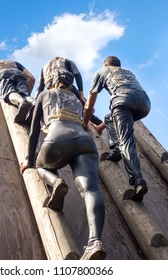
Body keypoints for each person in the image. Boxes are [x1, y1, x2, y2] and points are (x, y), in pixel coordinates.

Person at [20, 70, 106, 260]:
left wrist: (28, 159)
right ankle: (94, 242)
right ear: (70, 84)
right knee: (91, 190)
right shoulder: (77, 99)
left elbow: (34, 130)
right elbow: (90, 115)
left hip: (57, 137)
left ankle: (55, 181)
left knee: (42, 167)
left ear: (52, 83)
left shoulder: (44, 94)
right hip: (85, 141)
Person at [83, 55, 151, 201]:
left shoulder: (103, 71)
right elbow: (115, 116)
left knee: (126, 141)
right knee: (109, 118)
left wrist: (85, 123)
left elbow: (89, 105)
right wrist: (100, 127)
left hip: (123, 100)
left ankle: (138, 181)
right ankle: (116, 150)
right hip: (144, 104)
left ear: (105, 64)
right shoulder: (128, 72)